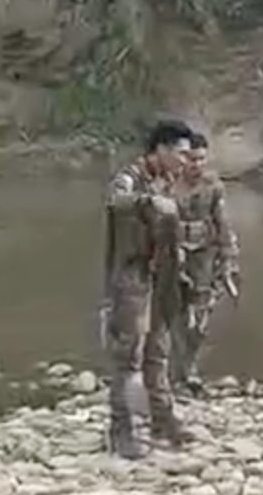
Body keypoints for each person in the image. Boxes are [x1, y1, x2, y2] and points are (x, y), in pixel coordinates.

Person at [102, 118, 196, 459]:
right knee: (128, 354)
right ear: (161, 149)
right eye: (181, 154)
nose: (186, 161)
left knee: (159, 348)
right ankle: (120, 430)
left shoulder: (169, 181)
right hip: (131, 275)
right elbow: (115, 200)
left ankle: (162, 419)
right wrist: (147, 202)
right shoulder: (130, 177)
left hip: (162, 274)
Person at [169, 132, 240, 396]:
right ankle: (175, 369)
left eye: (201, 159)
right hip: (172, 252)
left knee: (200, 314)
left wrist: (229, 257)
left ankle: (191, 369)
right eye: (191, 159)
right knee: (174, 311)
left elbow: (223, 222)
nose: (197, 164)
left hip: (204, 254)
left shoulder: (213, 186)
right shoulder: (167, 184)